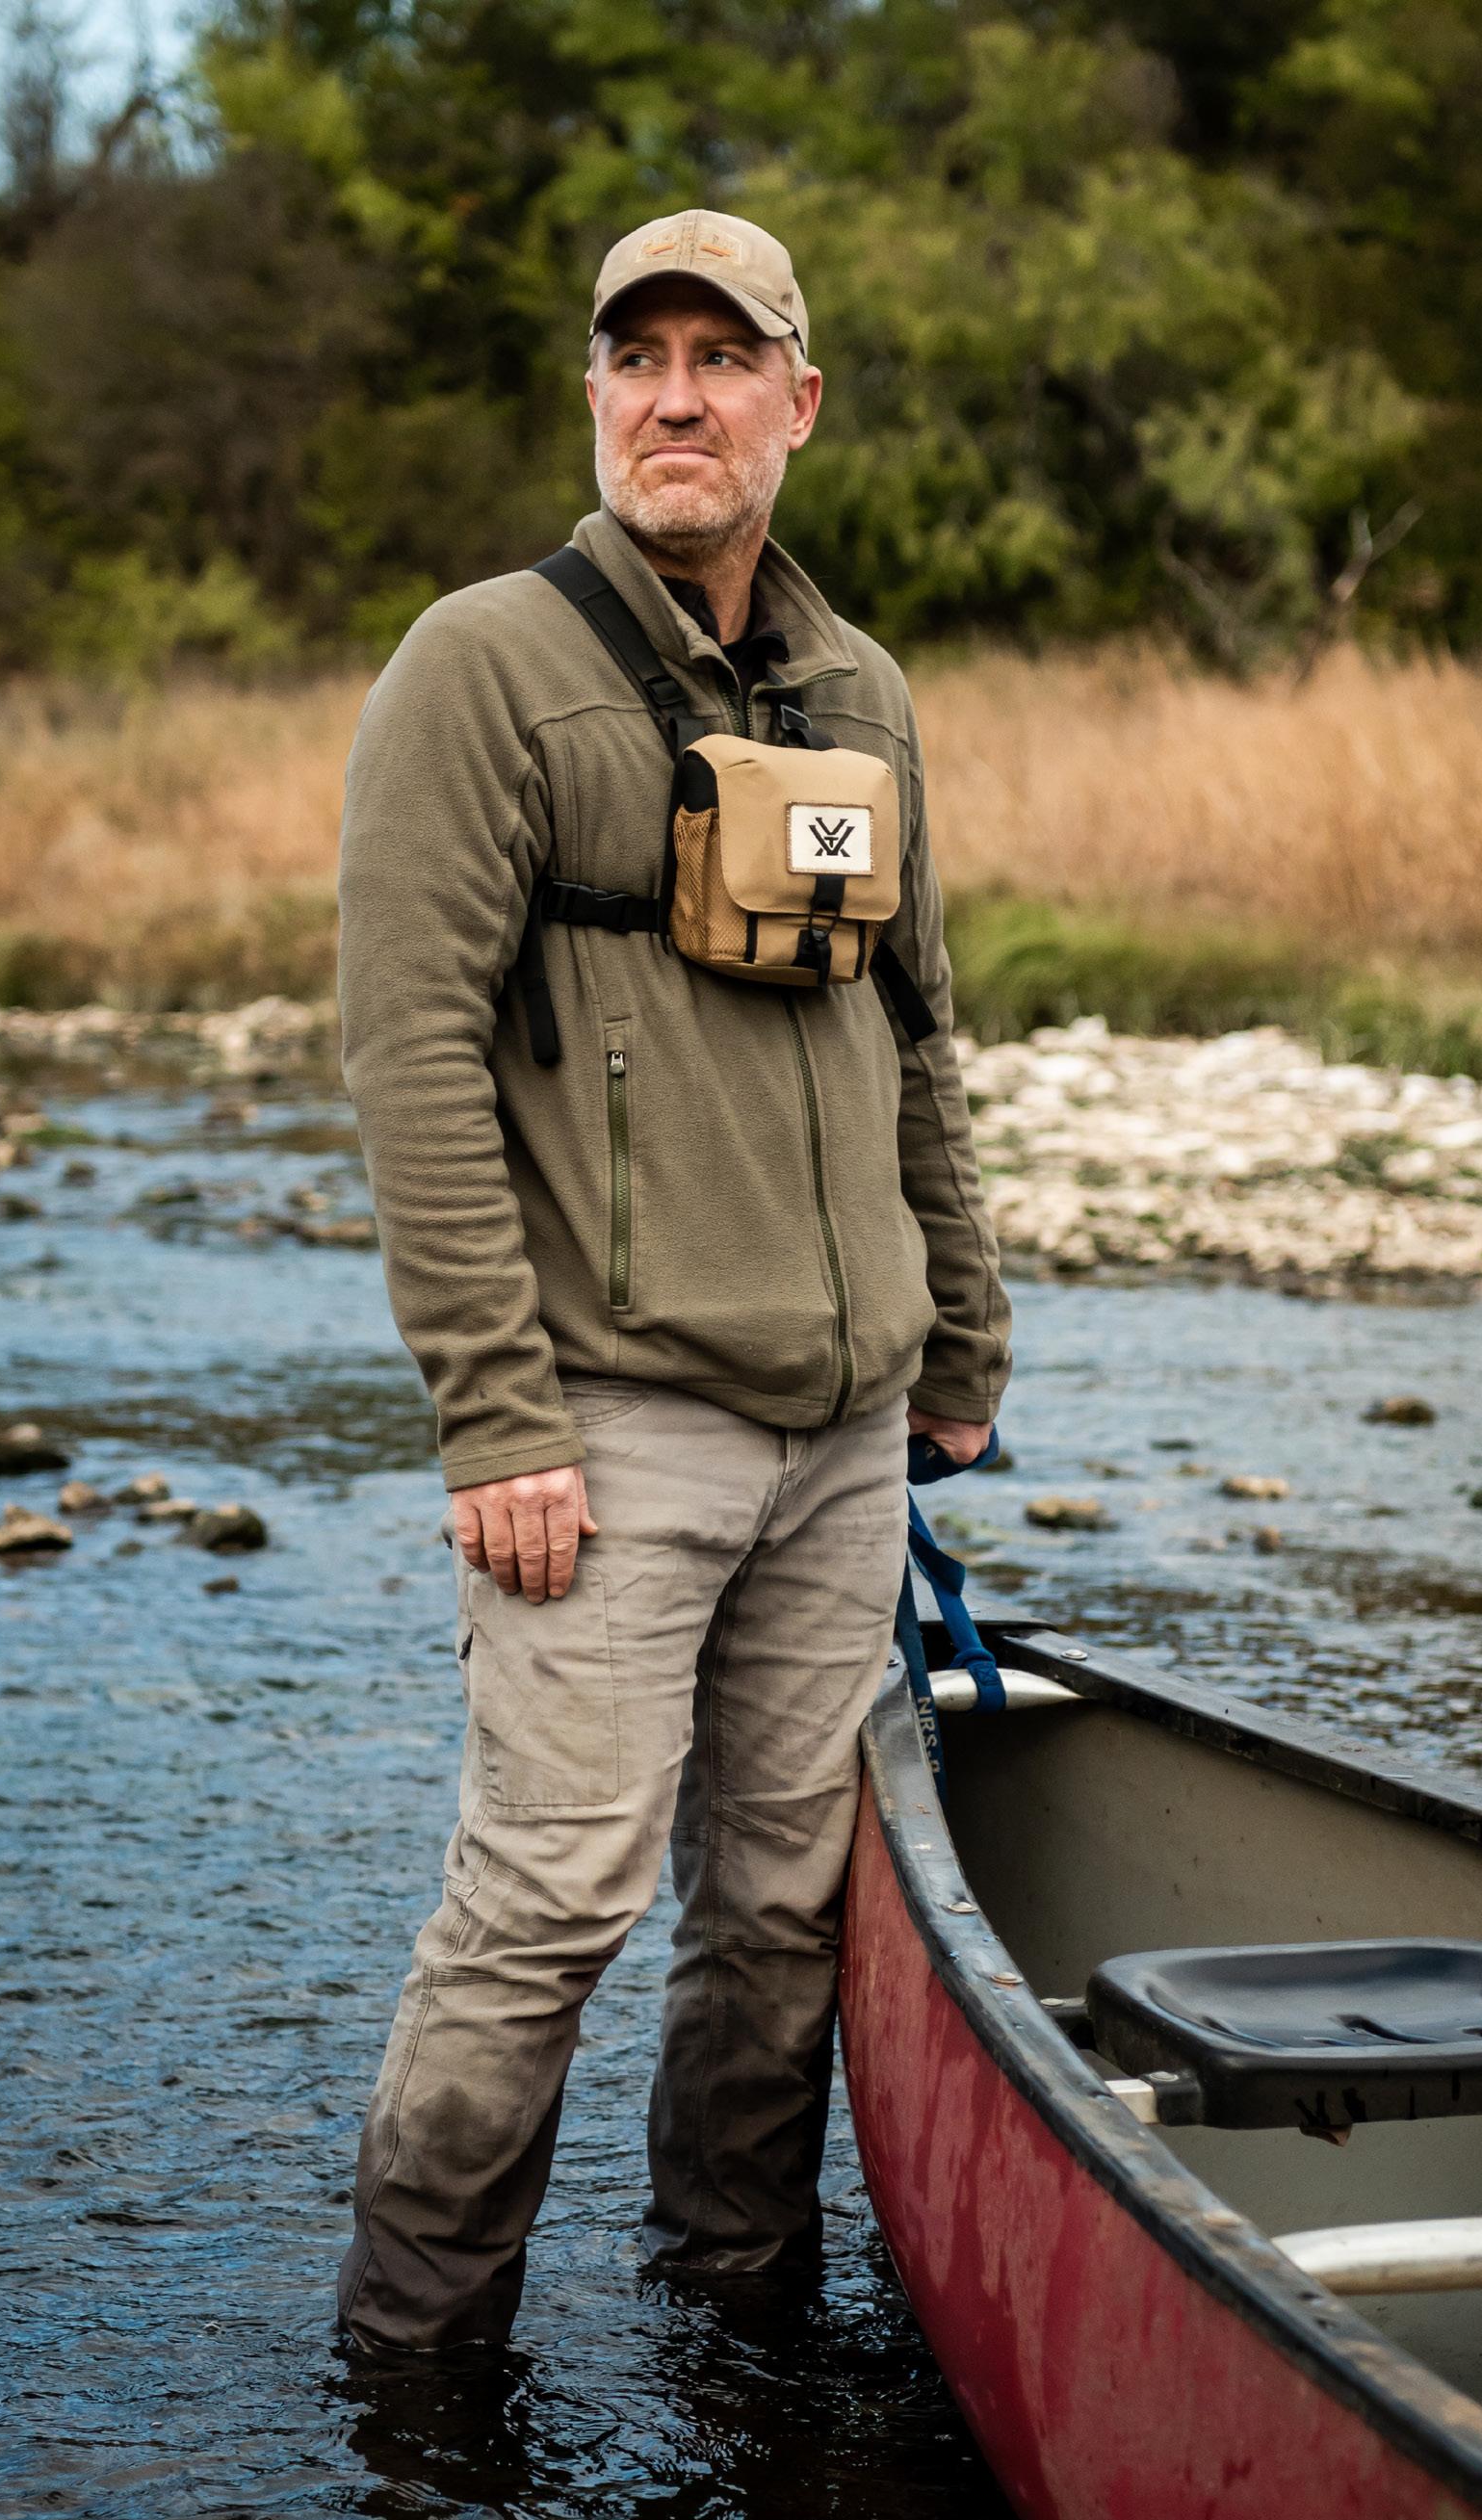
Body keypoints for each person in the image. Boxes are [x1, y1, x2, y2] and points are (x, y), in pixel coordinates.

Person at [334, 206, 1012, 2351]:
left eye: (724, 359)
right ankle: (414, 2369)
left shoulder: (861, 689)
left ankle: (737, 2318)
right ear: (595, 392)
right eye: (640, 357)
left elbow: (914, 1032)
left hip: (844, 1434)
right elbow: (409, 1056)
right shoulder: (478, 668)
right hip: (605, 1425)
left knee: (787, 1917)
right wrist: (495, 1415)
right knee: (547, 1905)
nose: (678, 399)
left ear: (799, 402)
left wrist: (961, 1327)